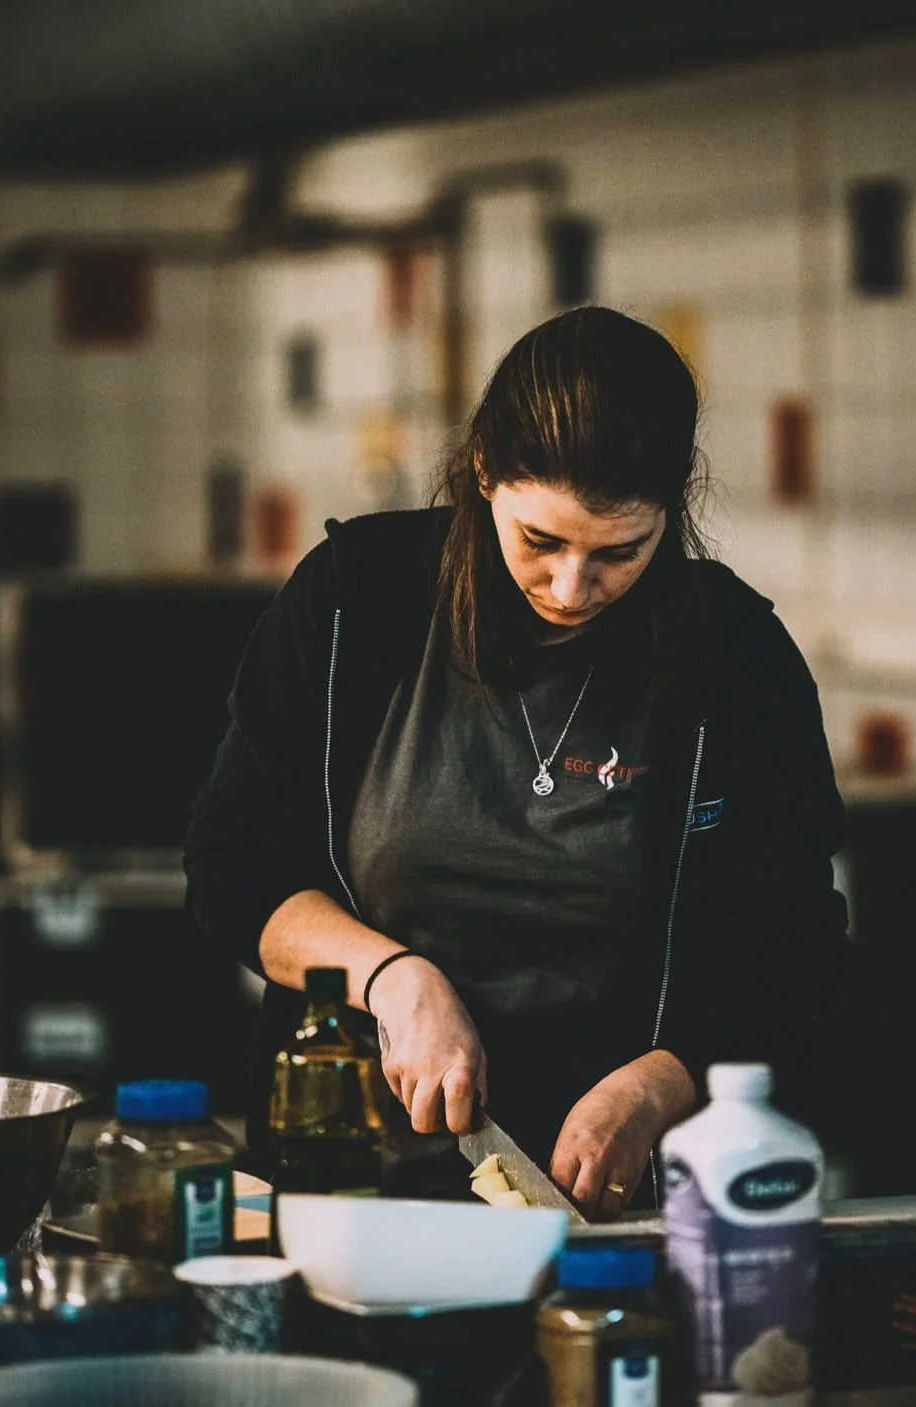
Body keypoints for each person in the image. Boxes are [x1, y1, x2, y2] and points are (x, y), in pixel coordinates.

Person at [184, 305, 848, 1220]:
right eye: (542, 541)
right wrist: (391, 978)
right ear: (485, 474)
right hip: (347, 1178)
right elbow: (231, 872)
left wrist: (667, 1080)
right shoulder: (353, 601)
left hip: (622, 1197)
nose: (574, 589)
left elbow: (799, 950)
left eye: (622, 551)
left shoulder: (735, 657)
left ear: (673, 510)